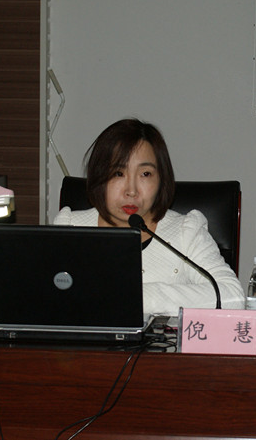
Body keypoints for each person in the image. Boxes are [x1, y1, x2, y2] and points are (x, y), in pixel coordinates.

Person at [53, 118, 244, 316]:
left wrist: (136, 296)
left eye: (145, 174)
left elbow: (232, 297)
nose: (131, 191)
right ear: (99, 177)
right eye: (118, 173)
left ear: (161, 180)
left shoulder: (186, 231)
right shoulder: (70, 227)